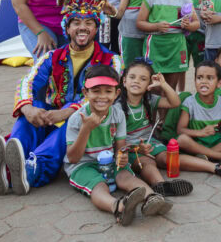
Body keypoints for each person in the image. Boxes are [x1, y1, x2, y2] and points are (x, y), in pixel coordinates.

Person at [0, 0, 123, 196]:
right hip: (52, 115)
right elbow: (28, 82)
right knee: (32, 111)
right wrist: (28, 109)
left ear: (96, 28)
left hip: (84, 119)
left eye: (89, 23)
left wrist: (67, 112)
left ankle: (32, 170)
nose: (82, 28)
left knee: (74, 121)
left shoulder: (111, 60)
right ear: (67, 28)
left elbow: (103, 98)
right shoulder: (52, 56)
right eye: (76, 22)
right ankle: (10, 160)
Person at [64, 65, 172, 224]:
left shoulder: (118, 114)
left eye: (108, 91)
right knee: (99, 186)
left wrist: (122, 156)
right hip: (83, 165)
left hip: (109, 161)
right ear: (86, 93)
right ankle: (118, 206)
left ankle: (152, 198)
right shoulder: (77, 118)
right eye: (96, 91)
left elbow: (121, 146)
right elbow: (73, 158)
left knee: (125, 175)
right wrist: (86, 129)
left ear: (116, 93)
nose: (102, 97)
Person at [117, 59, 221, 193]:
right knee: (148, 162)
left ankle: (215, 167)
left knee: (169, 158)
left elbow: (175, 102)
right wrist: (138, 148)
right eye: (132, 77)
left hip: (149, 143)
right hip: (128, 149)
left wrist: (163, 84)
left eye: (143, 79)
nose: (136, 81)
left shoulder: (149, 99)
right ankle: (161, 185)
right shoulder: (117, 108)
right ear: (124, 81)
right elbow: (116, 143)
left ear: (149, 84)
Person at [136, 0, 200, 90]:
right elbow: (140, 23)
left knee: (170, 89)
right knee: (154, 89)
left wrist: (188, 25)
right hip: (155, 46)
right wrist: (156, 26)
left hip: (176, 47)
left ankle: (169, 104)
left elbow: (196, 24)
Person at [177, 60, 221, 167]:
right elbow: (180, 130)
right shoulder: (189, 102)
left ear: (219, 83)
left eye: (209, 78)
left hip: (215, 141)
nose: (203, 82)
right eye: (199, 77)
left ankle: (205, 156)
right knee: (182, 140)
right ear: (195, 80)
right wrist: (200, 132)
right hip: (196, 142)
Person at [183, 0, 207, 71]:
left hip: (200, 35)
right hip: (182, 35)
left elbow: (210, 11)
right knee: (181, 66)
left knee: (201, 66)